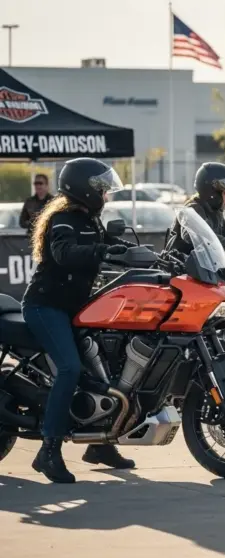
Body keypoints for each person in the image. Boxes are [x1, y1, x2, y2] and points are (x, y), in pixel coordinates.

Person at [21, 158, 138, 483]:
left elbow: (107, 245)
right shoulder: (62, 219)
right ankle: (49, 450)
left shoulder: (90, 221)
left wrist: (141, 253)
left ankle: (100, 444)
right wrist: (100, 251)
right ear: (86, 190)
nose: (105, 196)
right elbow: (63, 252)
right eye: (102, 190)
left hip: (76, 309)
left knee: (106, 369)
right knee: (71, 369)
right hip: (46, 307)